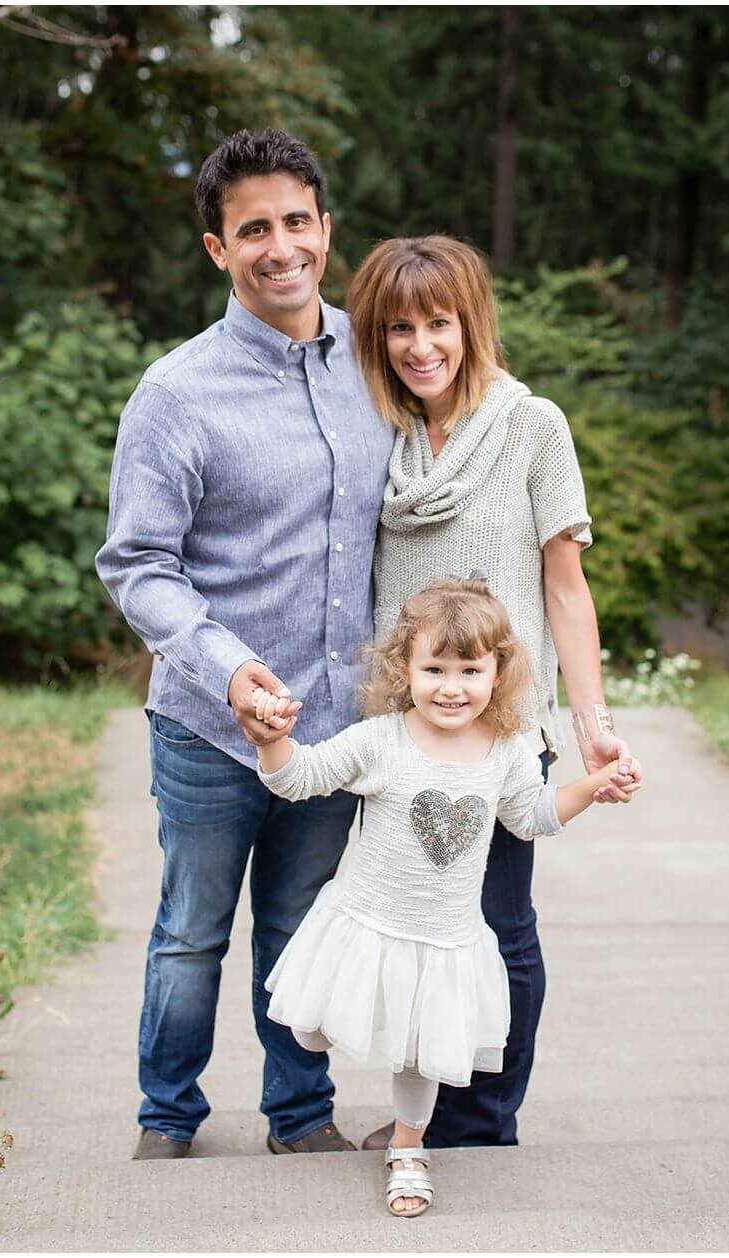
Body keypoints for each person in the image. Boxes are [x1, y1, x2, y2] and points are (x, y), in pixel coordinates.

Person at [97, 129, 391, 1160]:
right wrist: (227, 667)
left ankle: (299, 1114)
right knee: (192, 934)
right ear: (219, 250)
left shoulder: (377, 360)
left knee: (302, 929)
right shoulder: (175, 392)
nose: (281, 246)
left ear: (325, 229)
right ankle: (166, 1116)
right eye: (253, 228)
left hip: (333, 729)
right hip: (210, 728)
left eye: (296, 222)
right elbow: (135, 561)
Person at [344, 234, 640, 1152]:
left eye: (438, 323)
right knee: (410, 921)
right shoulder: (377, 432)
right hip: (402, 729)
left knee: (500, 922)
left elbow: (564, 586)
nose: (419, 345)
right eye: (399, 327)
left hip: (502, 726)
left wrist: (592, 725)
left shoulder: (531, 425)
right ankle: (420, 1109)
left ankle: (481, 1119)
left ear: (471, 323)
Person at [249, 578, 636, 1216]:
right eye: (433, 669)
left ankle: (408, 1149)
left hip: (444, 940)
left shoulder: (508, 749)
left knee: (420, 1054)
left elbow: (531, 816)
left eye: (468, 670)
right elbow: (302, 777)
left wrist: (591, 786)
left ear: (497, 671)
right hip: (369, 924)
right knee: (317, 1025)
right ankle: (303, 1111)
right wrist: (271, 740)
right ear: (404, 668)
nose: (451, 687)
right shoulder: (381, 740)